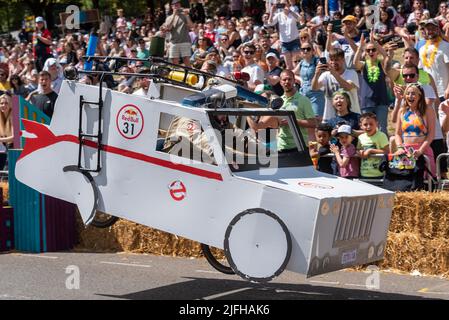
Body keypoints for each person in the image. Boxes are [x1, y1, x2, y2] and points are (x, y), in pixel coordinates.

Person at [246, 70, 316, 148]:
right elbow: (257, 127)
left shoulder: (304, 100)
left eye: (289, 79)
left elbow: (313, 123)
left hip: (299, 147)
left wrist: (292, 120)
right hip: (282, 147)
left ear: (294, 81)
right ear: (280, 82)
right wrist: (246, 112)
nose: (287, 82)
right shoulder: (278, 101)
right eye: (284, 80)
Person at [393, 83, 436, 176]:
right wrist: (400, 147)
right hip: (405, 152)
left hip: (423, 151)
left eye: (413, 93)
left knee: (425, 183)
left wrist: (420, 151)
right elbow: (397, 134)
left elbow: (431, 134)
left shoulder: (428, 110)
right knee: (406, 183)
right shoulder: (402, 111)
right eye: (408, 93)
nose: (410, 96)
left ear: (420, 96)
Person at [311, 47, 360, 122]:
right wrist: (316, 74)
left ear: (343, 60)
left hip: (352, 118)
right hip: (330, 118)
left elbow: (347, 87)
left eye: (336, 60)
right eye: (331, 60)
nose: (333, 62)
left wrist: (333, 73)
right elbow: (314, 88)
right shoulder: (326, 75)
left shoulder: (351, 73)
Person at [353, 35, 390, 134]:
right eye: (368, 50)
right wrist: (360, 47)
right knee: (367, 129)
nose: (371, 52)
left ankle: (384, 149)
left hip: (381, 99)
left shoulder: (381, 63)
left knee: (382, 128)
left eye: (373, 50)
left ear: (377, 51)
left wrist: (375, 43)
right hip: (367, 101)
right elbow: (355, 63)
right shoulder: (364, 64)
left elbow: (386, 56)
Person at [419, 18, 449, 102]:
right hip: (429, 93)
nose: (430, 31)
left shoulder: (446, 46)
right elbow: (421, 70)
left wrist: (448, 89)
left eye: (433, 28)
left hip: (444, 92)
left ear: (438, 29)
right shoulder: (422, 49)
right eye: (428, 29)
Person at [267, 0, 303, 70]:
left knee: (297, 64)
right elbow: (270, 23)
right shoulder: (279, 15)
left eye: (285, 4)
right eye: (282, 4)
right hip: (284, 43)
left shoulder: (293, 13)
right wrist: (272, 12)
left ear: (288, 4)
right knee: (289, 66)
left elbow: (299, 19)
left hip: (294, 40)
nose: (283, 5)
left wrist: (290, 11)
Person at [294, 41, 325, 119]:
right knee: (302, 118)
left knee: (317, 119)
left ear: (312, 51)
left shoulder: (317, 61)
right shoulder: (301, 63)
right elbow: (292, 73)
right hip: (303, 94)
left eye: (308, 49)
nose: (305, 51)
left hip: (316, 95)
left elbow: (325, 67)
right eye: (303, 49)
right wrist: (300, 79)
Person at [357, 112, 390, 179]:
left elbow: (387, 151)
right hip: (364, 173)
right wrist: (359, 152)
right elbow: (358, 149)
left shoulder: (381, 136)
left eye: (371, 124)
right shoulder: (360, 137)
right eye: (365, 124)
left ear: (376, 123)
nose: (368, 127)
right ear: (361, 125)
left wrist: (370, 150)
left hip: (379, 173)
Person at [162, 0, 194, 66]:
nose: (177, 5)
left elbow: (191, 26)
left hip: (185, 41)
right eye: (175, 4)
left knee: (186, 60)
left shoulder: (184, 15)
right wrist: (174, 14)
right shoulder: (169, 18)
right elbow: (169, 27)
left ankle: (189, 74)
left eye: (178, 4)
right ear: (172, 6)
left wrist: (187, 15)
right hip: (174, 42)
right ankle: (176, 74)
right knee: (174, 61)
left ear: (180, 5)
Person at [0, 93, 13, 170]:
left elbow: (15, 137)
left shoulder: (13, 116)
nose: (3, 105)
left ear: (10, 104)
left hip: (14, 148)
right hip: (4, 147)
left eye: (6, 103)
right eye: (1, 103)